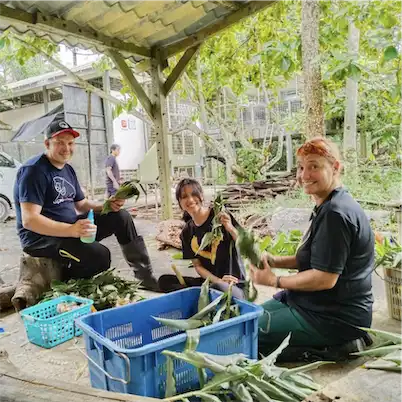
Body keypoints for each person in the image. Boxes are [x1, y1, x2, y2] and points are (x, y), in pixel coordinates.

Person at [250, 137, 374, 361]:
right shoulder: (327, 204)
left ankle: (334, 346)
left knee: (245, 335)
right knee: (244, 319)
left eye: (314, 166)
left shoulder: (336, 214)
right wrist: (275, 260)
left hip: (332, 318)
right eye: (301, 167)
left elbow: (324, 278)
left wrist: (274, 281)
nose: (304, 175)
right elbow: (316, 257)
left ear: (335, 167)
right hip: (311, 303)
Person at [13, 117, 159, 291]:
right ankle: (69, 286)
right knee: (100, 256)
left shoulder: (67, 169)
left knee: (121, 216)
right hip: (42, 239)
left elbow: (81, 204)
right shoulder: (34, 171)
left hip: (69, 228)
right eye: (60, 142)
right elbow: (29, 220)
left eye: (70, 143)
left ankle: (145, 278)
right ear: (47, 144)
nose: (66, 148)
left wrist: (107, 204)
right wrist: (71, 230)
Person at [158, 178, 245, 298]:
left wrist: (230, 228)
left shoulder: (219, 216)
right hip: (212, 281)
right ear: (180, 203)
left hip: (233, 284)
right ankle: (203, 294)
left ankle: (200, 295)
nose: (190, 199)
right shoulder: (186, 233)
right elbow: (198, 266)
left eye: (194, 194)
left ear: (202, 196)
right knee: (165, 281)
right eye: (184, 197)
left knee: (218, 289)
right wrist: (217, 280)